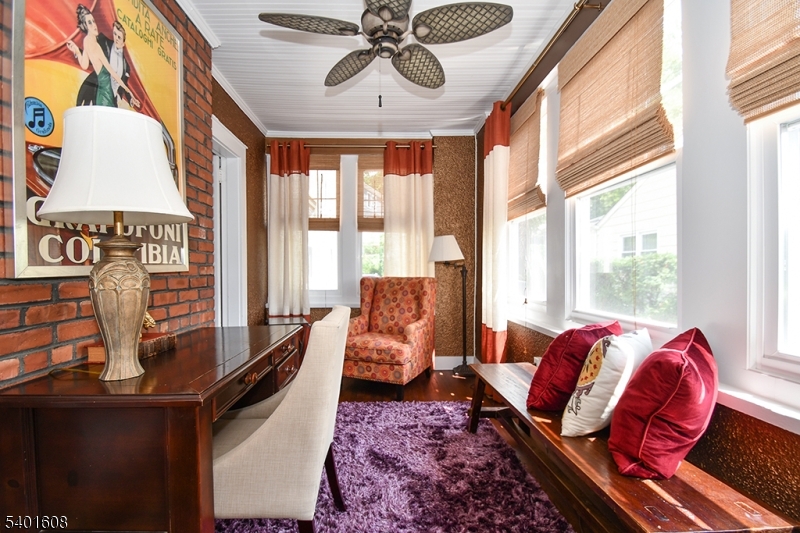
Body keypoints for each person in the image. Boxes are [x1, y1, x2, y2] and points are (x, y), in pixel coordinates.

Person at [66, 5, 138, 108]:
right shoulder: (97, 46)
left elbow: (84, 65)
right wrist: (129, 91)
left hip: (103, 92)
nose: (94, 25)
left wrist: (77, 52)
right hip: (106, 93)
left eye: (93, 21)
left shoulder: (86, 41)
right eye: (90, 23)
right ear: (85, 25)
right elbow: (112, 72)